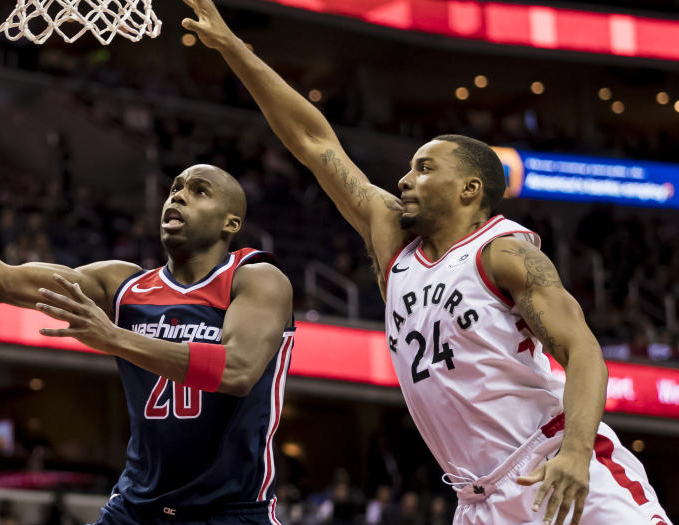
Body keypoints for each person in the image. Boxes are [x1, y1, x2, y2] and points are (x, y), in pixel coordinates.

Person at [180, 1, 672, 524]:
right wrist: (233, 47)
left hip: (555, 462)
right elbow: (315, 142)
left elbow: (584, 352)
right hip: (477, 500)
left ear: (469, 188)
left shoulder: (503, 252)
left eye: (424, 168)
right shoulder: (394, 244)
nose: (404, 180)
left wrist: (575, 452)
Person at [0, 127, 295, 525]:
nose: (177, 196)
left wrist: (115, 338)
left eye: (199, 192)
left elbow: (237, 371)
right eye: (175, 187)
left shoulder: (255, 278)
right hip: (137, 508)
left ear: (229, 223)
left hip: (232, 512)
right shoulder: (123, 286)